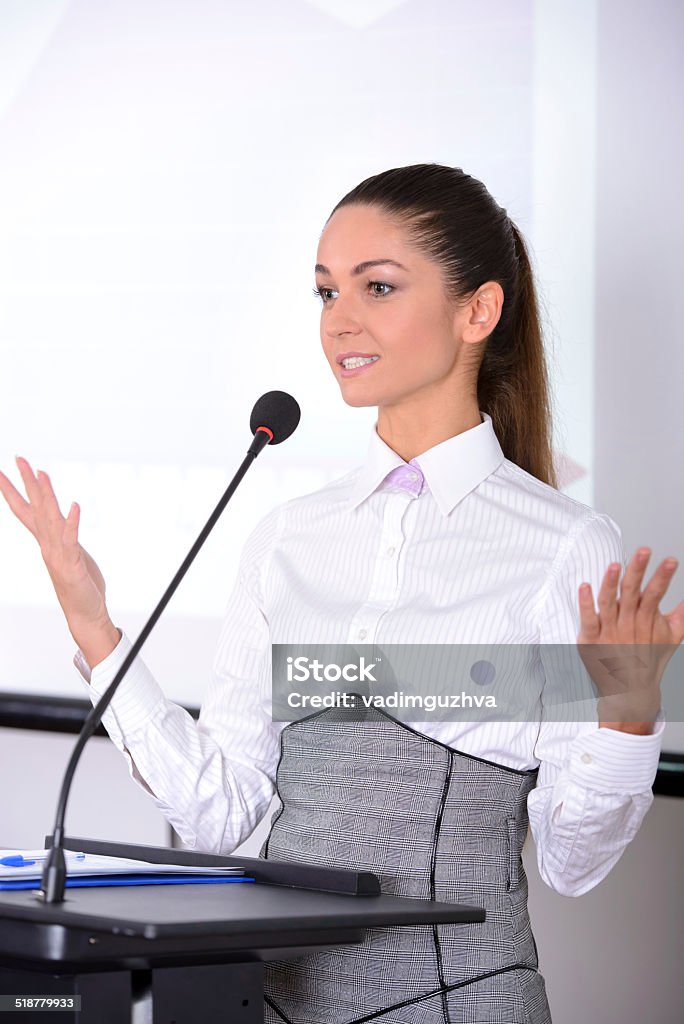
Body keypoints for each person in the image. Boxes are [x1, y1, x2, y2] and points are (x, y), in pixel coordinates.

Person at [1, 162, 682, 1024]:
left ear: (478, 311)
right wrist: (96, 629)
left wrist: (627, 714)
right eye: (325, 292)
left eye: (379, 287)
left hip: (457, 1003)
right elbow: (220, 813)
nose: (339, 322)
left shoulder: (561, 546)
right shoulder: (289, 537)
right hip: (279, 1006)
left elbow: (573, 864)